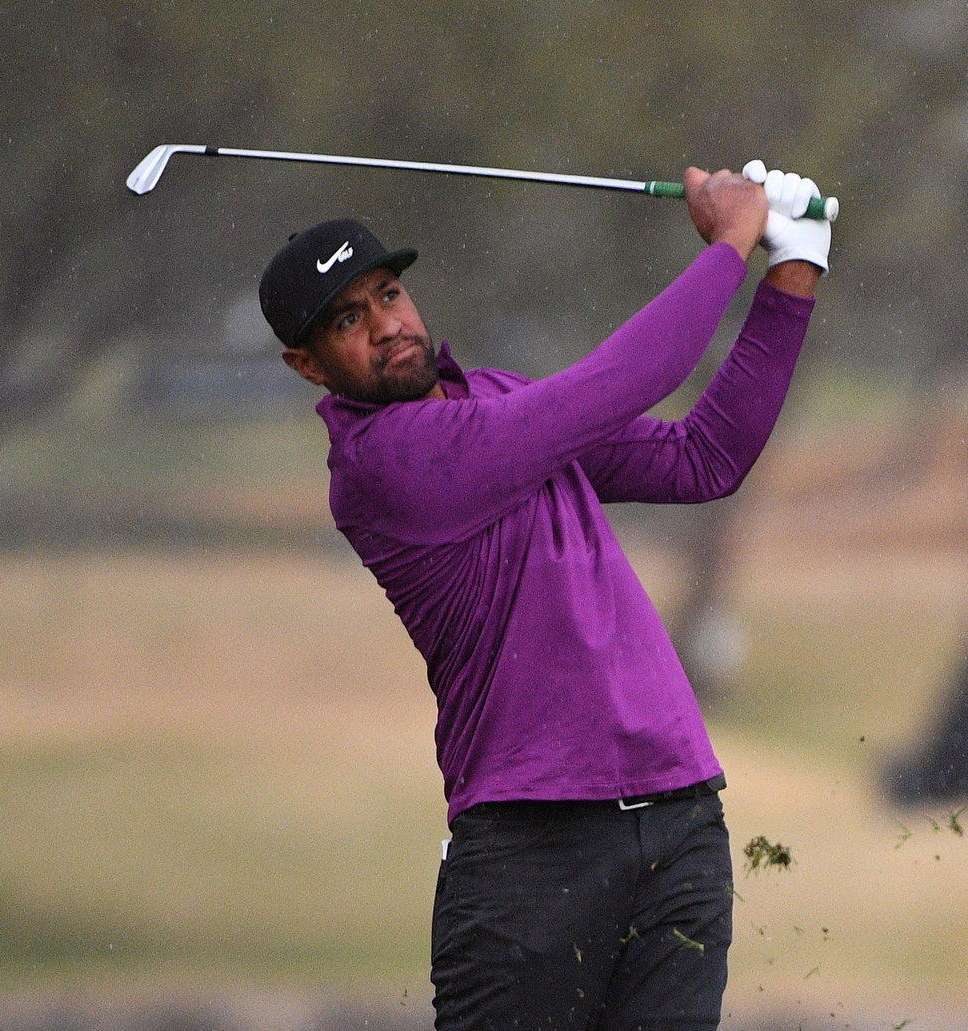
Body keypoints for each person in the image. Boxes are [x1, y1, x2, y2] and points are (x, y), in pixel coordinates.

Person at [259, 160, 831, 1031]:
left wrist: (794, 269)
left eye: (388, 295)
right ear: (307, 364)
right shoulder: (384, 464)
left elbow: (703, 458)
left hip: (678, 821)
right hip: (530, 851)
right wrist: (730, 242)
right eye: (347, 319)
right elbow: (623, 379)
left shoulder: (495, 399)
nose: (386, 326)